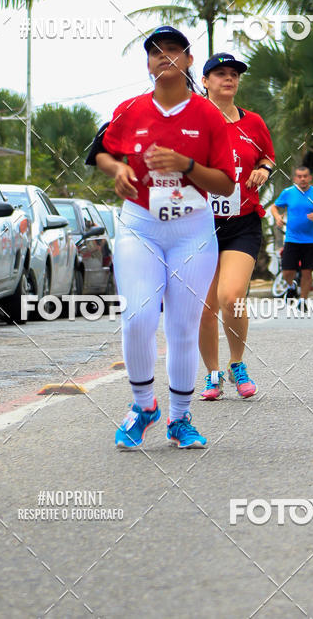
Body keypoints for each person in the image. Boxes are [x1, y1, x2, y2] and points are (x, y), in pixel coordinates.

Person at [96, 26, 235, 449]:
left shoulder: (207, 114)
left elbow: (227, 184)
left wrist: (185, 164)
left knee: (181, 326)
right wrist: (116, 169)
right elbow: (102, 152)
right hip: (140, 225)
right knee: (138, 317)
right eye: (156, 52)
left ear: (189, 61)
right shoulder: (129, 109)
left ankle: (180, 417)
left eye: (174, 50)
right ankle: (143, 406)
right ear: (149, 62)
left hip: (191, 230)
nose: (164, 57)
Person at [197, 53, 275, 401]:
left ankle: (237, 362)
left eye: (234, 75)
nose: (228, 79)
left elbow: (267, 156)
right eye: (220, 74)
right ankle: (212, 374)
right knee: (204, 305)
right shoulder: (192, 120)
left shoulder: (253, 122)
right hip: (199, 224)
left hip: (242, 222)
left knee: (232, 298)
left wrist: (264, 170)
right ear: (205, 82)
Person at [270, 166, 313, 311]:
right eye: (299, 176)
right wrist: (278, 217)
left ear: (310, 178)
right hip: (291, 239)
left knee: (307, 272)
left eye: (305, 176)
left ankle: (302, 301)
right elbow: (274, 207)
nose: (302, 179)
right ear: (295, 178)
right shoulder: (288, 193)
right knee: (287, 271)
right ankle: (291, 286)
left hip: (310, 241)